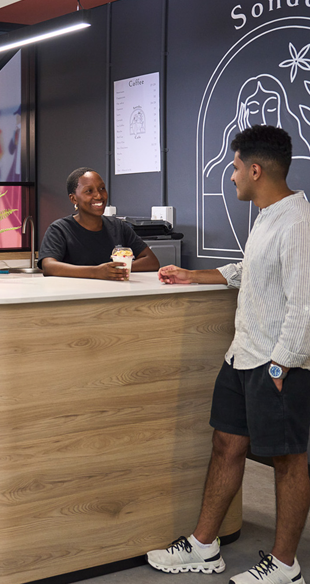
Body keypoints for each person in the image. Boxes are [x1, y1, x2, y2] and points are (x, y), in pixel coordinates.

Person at [148, 125, 310, 584]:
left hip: (278, 363)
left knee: (288, 461)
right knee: (226, 446)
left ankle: (285, 566)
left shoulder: (298, 222)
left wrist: (282, 364)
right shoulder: (266, 215)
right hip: (242, 355)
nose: (232, 174)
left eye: (236, 167)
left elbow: (304, 303)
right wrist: (190, 276)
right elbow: (248, 270)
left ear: (255, 169)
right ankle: (204, 547)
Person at [39, 167, 160, 279]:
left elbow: (151, 261)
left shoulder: (118, 227)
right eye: (89, 191)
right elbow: (49, 266)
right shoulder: (60, 229)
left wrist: (116, 269)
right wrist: (96, 272)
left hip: (116, 296)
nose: (98, 195)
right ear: (73, 198)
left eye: (102, 188)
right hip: (76, 298)